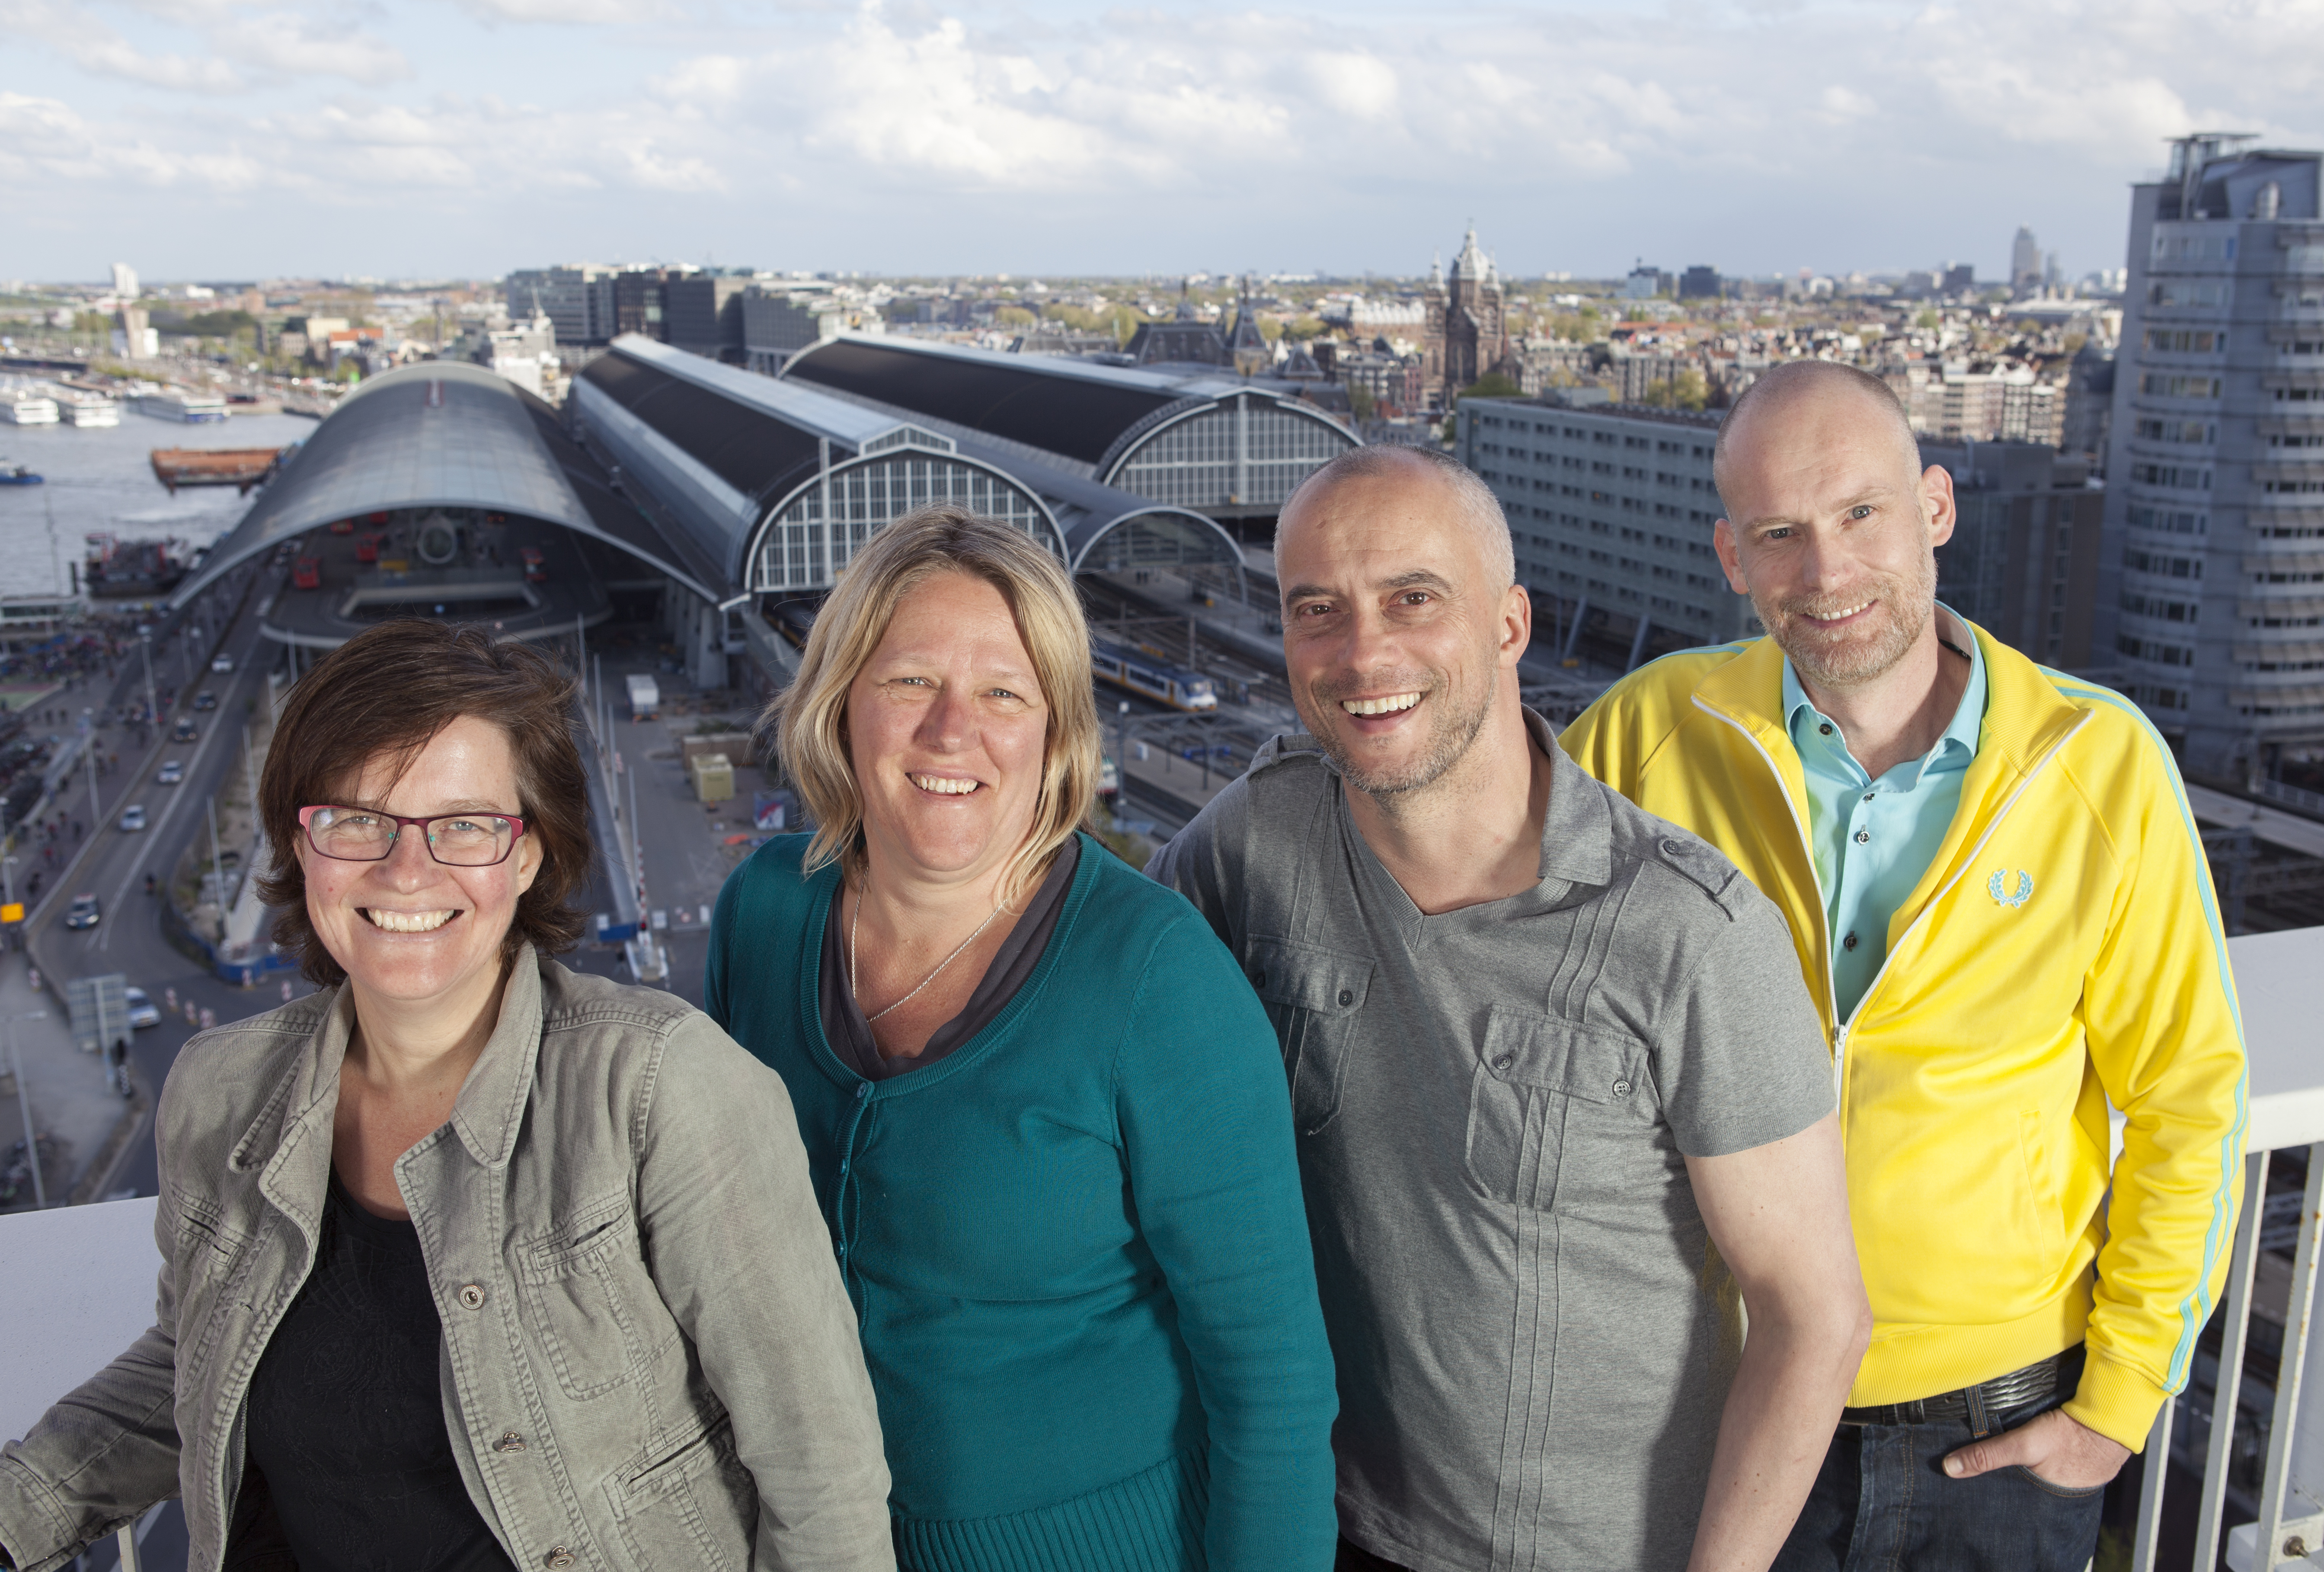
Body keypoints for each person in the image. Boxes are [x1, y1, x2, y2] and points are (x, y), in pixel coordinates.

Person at [0, 620, 895, 1572]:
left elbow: (819, 1473)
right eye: (356, 819)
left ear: (527, 855)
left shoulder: (659, 1088)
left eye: (464, 824)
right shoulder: (220, 1091)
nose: (405, 869)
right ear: (301, 846)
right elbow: (197, 1362)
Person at [1559, 361, 2248, 1570]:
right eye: (1780, 533)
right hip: (1722, 1401)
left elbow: (2189, 1095)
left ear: (1936, 507)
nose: (1824, 573)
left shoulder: (2099, 763)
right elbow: (1485, 924)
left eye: (1858, 514)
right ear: (1732, 557)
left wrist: (2123, 1396)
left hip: (1999, 1425)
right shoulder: (1649, 733)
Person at [1150, 445, 1873, 1572]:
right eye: (1317, 612)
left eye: (1412, 599)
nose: (1363, 654)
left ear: (1508, 624)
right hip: (1321, 1524)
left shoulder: (1691, 932)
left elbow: (1812, 1312)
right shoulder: (1250, 846)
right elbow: (1096, 1018)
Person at [706, 505, 1339, 1570]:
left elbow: (1273, 1391)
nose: (952, 732)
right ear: (840, 700)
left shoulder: (1154, 979)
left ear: (1054, 733)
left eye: (1003, 693)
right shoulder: (763, 915)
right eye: (910, 680)